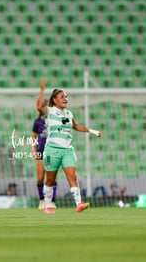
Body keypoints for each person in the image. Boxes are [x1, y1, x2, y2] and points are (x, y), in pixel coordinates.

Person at [37, 78, 102, 214]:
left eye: (66, 96)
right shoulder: (50, 111)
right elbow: (38, 107)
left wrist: (92, 131)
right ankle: (47, 205)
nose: (65, 98)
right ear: (54, 100)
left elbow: (76, 126)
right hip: (52, 150)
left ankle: (79, 204)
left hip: (67, 150)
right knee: (50, 179)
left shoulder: (68, 113)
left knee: (73, 177)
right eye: (62, 97)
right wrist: (42, 90)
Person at [32, 99, 57, 209]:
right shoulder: (38, 122)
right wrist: (34, 150)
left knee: (51, 178)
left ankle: (52, 201)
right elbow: (33, 136)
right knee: (40, 178)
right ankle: (42, 200)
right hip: (41, 151)